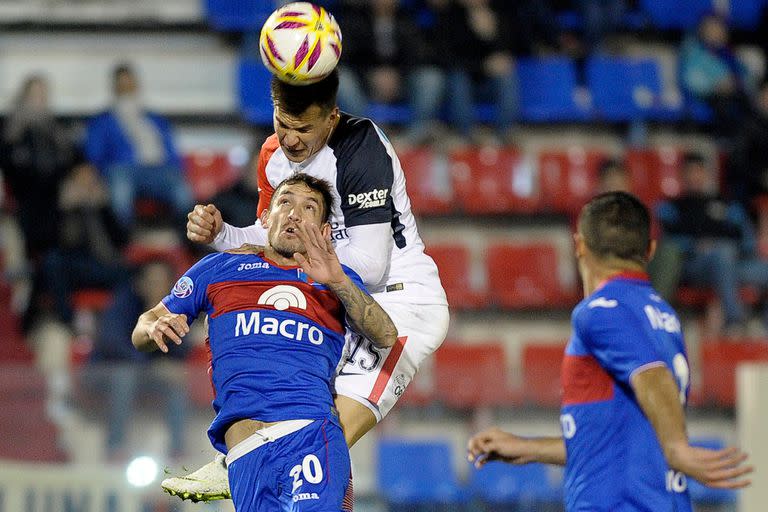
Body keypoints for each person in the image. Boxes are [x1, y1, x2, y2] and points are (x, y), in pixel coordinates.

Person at [167, 68, 448, 503]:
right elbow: (271, 236)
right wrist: (224, 234)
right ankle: (248, 457)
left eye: (304, 128)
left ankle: (236, 461)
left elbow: (371, 267)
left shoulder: (360, 146)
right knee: (301, 419)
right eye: (282, 124)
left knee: (322, 432)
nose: (291, 140)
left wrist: (299, 260)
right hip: (333, 301)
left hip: (396, 302)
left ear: (331, 116)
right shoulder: (272, 155)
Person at [467, 192, 752, 511]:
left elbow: (652, 376)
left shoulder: (599, 312)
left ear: (579, 245)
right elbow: (618, 439)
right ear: (650, 250)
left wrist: (677, 449)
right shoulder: (663, 315)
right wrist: (529, 448)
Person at [133, 174, 397, 510]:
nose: (294, 213)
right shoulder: (218, 268)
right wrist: (154, 330)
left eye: (309, 208)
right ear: (265, 218)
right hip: (245, 452)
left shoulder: (335, 279)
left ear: (325, 231)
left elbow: (385, 334)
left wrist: (338, 281)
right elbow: (143, 326)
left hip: (309, 432)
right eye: (285, 202)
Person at [656, 152, 768, 336]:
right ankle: (734, 321)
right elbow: (667, 244)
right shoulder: (672, 207)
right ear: (682, 175)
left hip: (733, 265)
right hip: (693, 267)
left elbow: (747, 242)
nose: (694, 177)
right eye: (690, 172)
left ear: (706, 174)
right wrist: (695, 245)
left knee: (746, 263)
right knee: (721, 254)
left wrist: (735, 249)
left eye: (698, 172)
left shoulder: (727, 204)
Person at [90, 258, 190, 461]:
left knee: (175, 383)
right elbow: (112, 343)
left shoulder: (174, 311)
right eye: (152, 282)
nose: (158, 288)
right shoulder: (124, 303)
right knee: (124, 376)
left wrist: (170, 366)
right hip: (104, 375)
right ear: (140, 284)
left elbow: (181, 349)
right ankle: (115, 448)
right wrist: (152, 366)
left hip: (146, 378)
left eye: (163, 283)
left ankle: (178, 453)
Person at [84, 63, 193, 229]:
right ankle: (126, 240)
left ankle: (184, 240)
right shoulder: (103, 121)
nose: (127, 88)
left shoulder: (154, 119)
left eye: (130, 83)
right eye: (122, 84)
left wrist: (176, 170)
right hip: (124, 169)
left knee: (182, 192)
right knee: (120, 192)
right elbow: (94, 153)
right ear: (115, 87)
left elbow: (171, 151)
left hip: (159, 169)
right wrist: (104, 172)